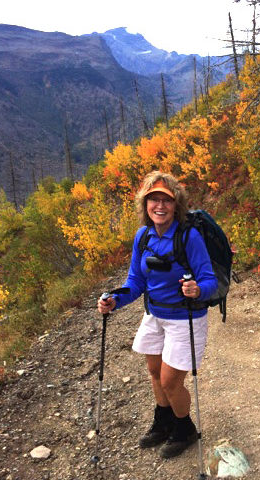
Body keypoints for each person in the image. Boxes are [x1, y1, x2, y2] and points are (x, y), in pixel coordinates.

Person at [97, 171, 218, 459]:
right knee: (154, 372)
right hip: (155, 316)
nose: (160, 206)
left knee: (170, 381)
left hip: (185, 318)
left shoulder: (189, 236)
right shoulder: (143, 236)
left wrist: (196, 289)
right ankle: (163, 421)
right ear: (145, 204)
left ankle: (184, 428)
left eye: (166, 200)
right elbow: (135, 282)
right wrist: (115, 300)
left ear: (177, 205)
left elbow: (209, 280)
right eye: (154, 199)